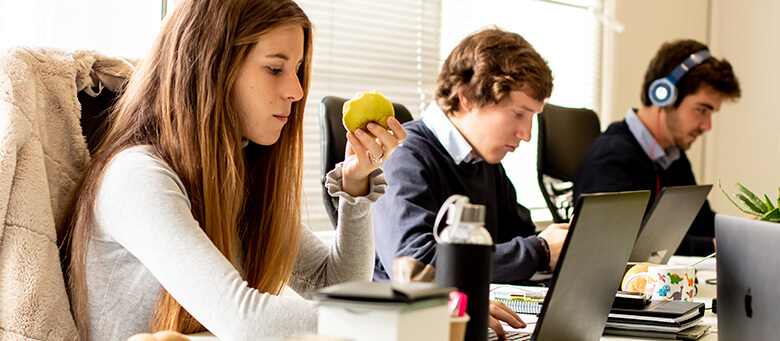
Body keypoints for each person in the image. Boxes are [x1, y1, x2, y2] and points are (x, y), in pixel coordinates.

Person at [57, 0, 406, 340]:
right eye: (275, 69)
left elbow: (338, 288)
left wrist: (356, 184)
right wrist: (401, 320)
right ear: (213, 68)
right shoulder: (135, 176)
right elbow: (244, 321)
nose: (297, 91)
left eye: (297, 70)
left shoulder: (239, 178)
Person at [371, 28, 570, 338]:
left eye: (532, 117)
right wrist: (539, 251)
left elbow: (517, 240)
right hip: (413, 329)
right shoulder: (403, 158)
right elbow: (415, 265)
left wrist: (556, 252)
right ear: (466, 98)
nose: (527, 134)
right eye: (519, 114)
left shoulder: (484, 162)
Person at [574, 39, 741, 256]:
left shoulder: (673, 157)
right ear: (664, 96)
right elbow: (625, 245)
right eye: (702, 110)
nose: (707, 126)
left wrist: (743, 232)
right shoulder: (611, 158)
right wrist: (716, 246)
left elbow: (700, 221)